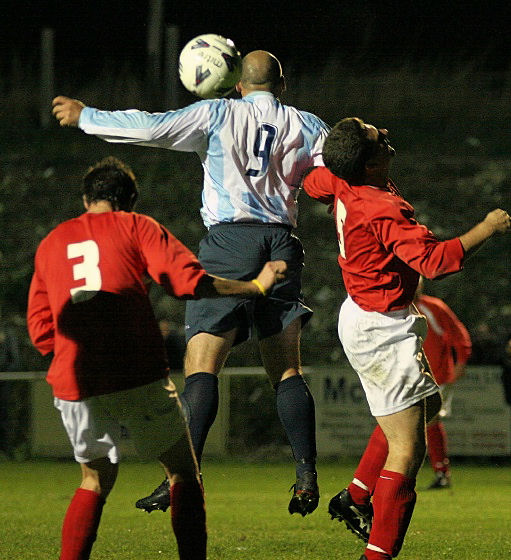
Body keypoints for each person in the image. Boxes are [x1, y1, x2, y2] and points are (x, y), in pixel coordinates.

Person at [51, 49, 329, 517]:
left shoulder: (218, 112)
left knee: (202, 365)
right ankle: (306, 474)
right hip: (283, 241)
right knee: (286, 369)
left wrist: (87, 117)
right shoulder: (309, 124)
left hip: (228, 241)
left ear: (238, 85)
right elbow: (330, 177)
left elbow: (152, 128)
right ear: (282, 86)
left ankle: (180, 479)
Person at [27, 156, 287, 560]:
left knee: (93, 480)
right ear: (129, 201)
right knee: (183, 471)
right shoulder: (137, 226)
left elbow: (41, 329)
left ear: (86, 199)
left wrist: (75, 353)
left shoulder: (52, 242)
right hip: (136, 369)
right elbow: (189, 282)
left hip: (74, 377)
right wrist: (254, 286)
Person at [302, 117, 511, 560]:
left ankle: (356, 497)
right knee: (407, 447)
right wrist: (488, 228)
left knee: (429, 408)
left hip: (365, 313)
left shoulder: (340, 179)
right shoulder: (381, 207)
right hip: (382, 328)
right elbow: (434, 262)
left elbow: (312, 182)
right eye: (379, 138)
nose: (386, 135)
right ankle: (376, 554)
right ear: (371, 163)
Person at [413, 277, 472, 489]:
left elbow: (459, 334)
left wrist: (462, 361)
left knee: (429, 422)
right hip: (408, 378)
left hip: (437, 377)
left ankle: (440, 472)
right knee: (416, 424)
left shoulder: (433, 307)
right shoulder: (395, 310)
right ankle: (437, 472)